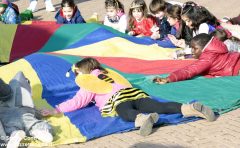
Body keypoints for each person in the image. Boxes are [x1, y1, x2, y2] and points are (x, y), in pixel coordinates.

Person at [41, 57, 216, 137]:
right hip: (134, 93)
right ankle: (189, 108)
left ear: (82, 72)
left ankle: (141, 119)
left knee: (125, 111)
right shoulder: (108, 73)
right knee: (158, 106)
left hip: (117, 99)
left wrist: (56, 109)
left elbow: (78, 101)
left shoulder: (88, 80)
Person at [153, 33, 240, 84]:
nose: (192, 51)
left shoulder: (207, 58)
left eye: (195, 48)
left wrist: (170, 78)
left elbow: (189, 70)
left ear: (204, 48)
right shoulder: (217, 50)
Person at [0, 72, 53, 148]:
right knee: (36, 124)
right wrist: (40, 112)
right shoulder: (26, 101)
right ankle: (37, 131)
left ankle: (14, 134)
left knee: (9, 128)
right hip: (25, 114)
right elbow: (37, 112)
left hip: (5, 115)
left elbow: (6, 95)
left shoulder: (3, 103)